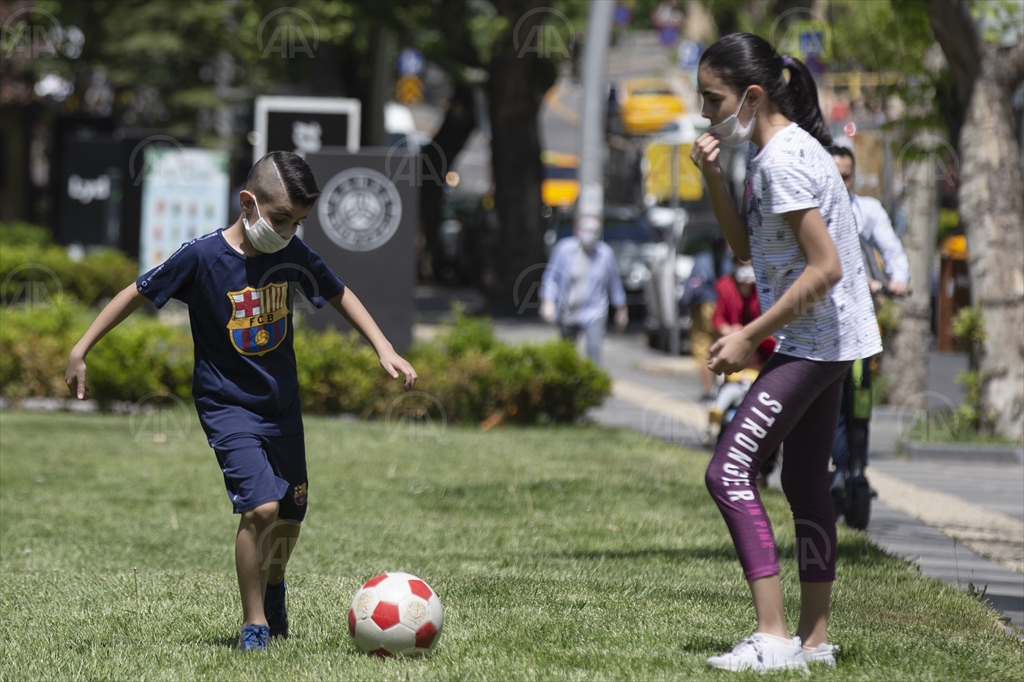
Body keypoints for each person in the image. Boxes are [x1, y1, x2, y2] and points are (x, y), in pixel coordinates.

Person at [63, 151, 417, 652]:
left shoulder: (290, 255)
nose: (288, 231)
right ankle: (254, 625)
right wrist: (81, 348)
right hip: (227, 407)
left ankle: (275, 589)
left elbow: (339, 292)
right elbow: (136, 292)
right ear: (247, 202)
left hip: (281, 405)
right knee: (261, 510)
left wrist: (383, 347)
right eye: (279, 219)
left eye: (297, 223)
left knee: (292, 512)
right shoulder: (201, 257)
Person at [690, 33, 882, 672]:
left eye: (711, 98)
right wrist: (714, 177)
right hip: (824, 341)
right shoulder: (774, 152)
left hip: (818, 343)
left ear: (749, 95)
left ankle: (771, 637)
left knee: (728, 472)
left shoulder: (784, 160)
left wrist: (748, 334)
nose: (703, 112)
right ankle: (813, 642)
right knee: (803, 481)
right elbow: (749, 250)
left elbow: (824, 268)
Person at [828, 145, 910, 501]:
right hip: (824, 332)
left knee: (860, 399)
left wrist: (898, 278)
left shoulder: (867, 211)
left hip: (859, 333)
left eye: (845, 177)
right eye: (834, 176)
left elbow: (892, 252)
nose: (840, 184)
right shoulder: (811, 212)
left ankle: (856, 468)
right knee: (828, 404)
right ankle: (836, 465)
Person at [540, 215, 628, 365]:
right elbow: (550, 278)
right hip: (568, 311)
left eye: (594, 230)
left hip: (594, 311)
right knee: (566, 355)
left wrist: (621, 309)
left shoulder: (605, 254)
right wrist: (547, 301)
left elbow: (614, 283)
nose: (589, 234)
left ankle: (594, 386)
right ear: (577, 231)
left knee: (593, 349)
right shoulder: (564, 250)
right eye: (586, 229)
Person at [712, 257, 776, 368]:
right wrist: (731, 330)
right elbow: (718, 319)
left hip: (760, 343)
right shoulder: (725, 286)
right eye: (743, 265)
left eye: (750, 266)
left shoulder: (764, 288)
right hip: (734, 339)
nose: (747, 269)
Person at [683, 248, 718, 399]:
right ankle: (719, 387)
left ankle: (707, 389)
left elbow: (694, 285)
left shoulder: (702, 258)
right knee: (720, 348)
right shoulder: (734, 257)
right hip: (724, 305)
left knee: (702, 349)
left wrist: (683, 304)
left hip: (703, 306)